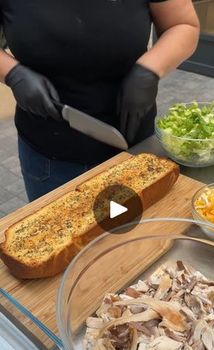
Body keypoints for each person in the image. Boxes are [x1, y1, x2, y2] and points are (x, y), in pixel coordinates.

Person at [0, 0, 199, 201]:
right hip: (49, 154)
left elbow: (183, 25)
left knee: (129, 229)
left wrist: (149, 70)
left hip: (132, 147)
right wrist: (12, 73)